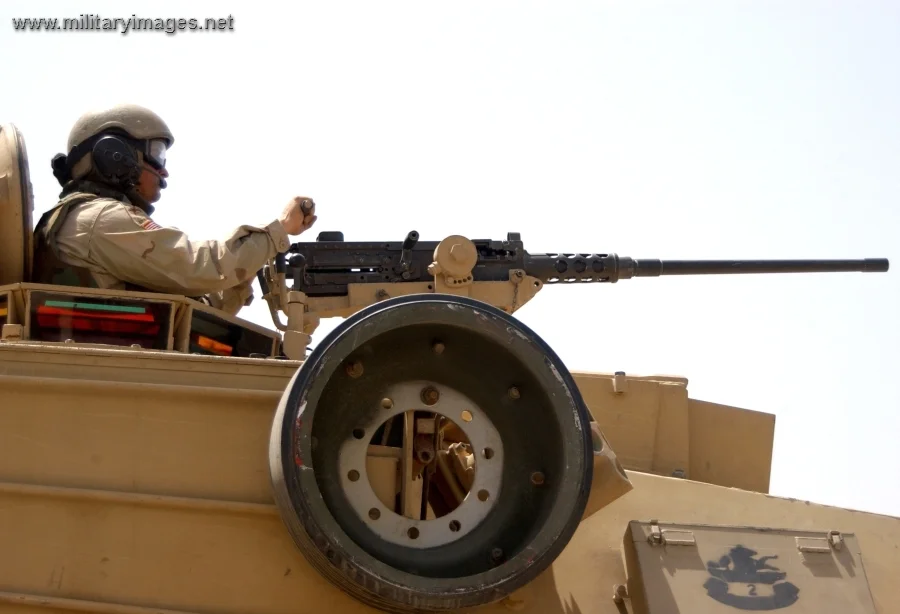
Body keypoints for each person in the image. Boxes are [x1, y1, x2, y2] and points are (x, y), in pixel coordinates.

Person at [32, 103, 317, 315]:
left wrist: (237, 285)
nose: (164, 172)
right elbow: (197, 267)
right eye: (156, 155)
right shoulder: (101, 220)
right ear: (115, 156)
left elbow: (184, 303)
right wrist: (279, 229)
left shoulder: (81, 217)